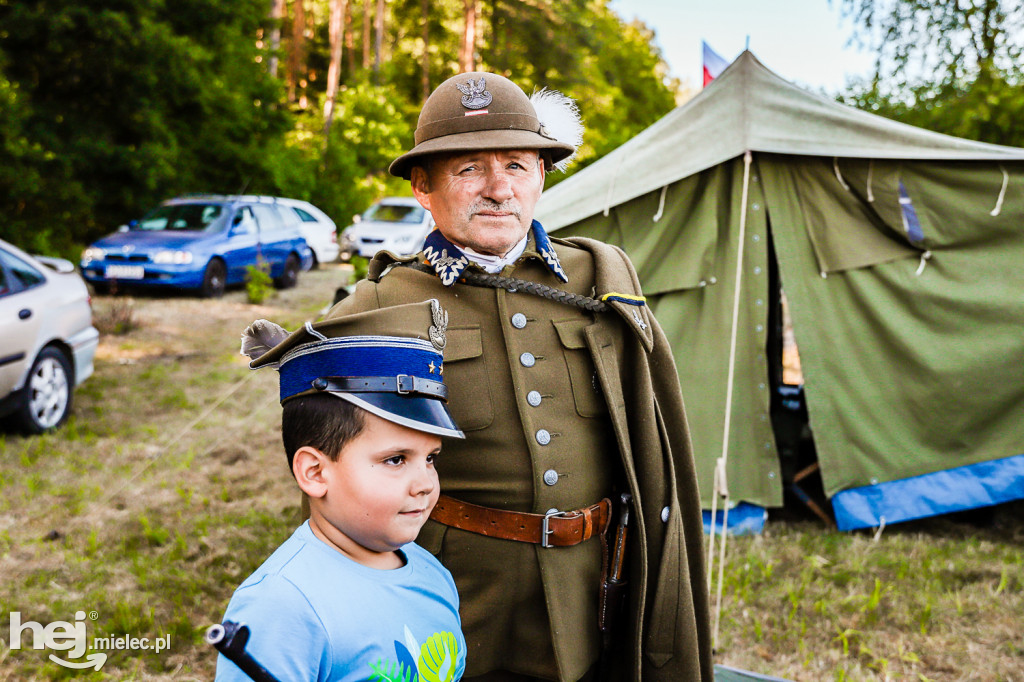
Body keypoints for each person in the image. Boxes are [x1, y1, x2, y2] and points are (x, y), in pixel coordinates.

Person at [326, 72, 712, 681]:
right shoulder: (380, 304)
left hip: (596, 591)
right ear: (424, 187)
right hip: (458, 601)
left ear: (540, 175)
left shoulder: (599, 280)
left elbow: (650, 446)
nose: (498, 189)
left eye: (515, 165)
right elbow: (334, 480)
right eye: (469, 169)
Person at [215, 300, 468, 682]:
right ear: (315, 472)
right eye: (396, 459)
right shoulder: (280, 607)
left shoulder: (432, 573)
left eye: (431, 458)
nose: (425, 484)